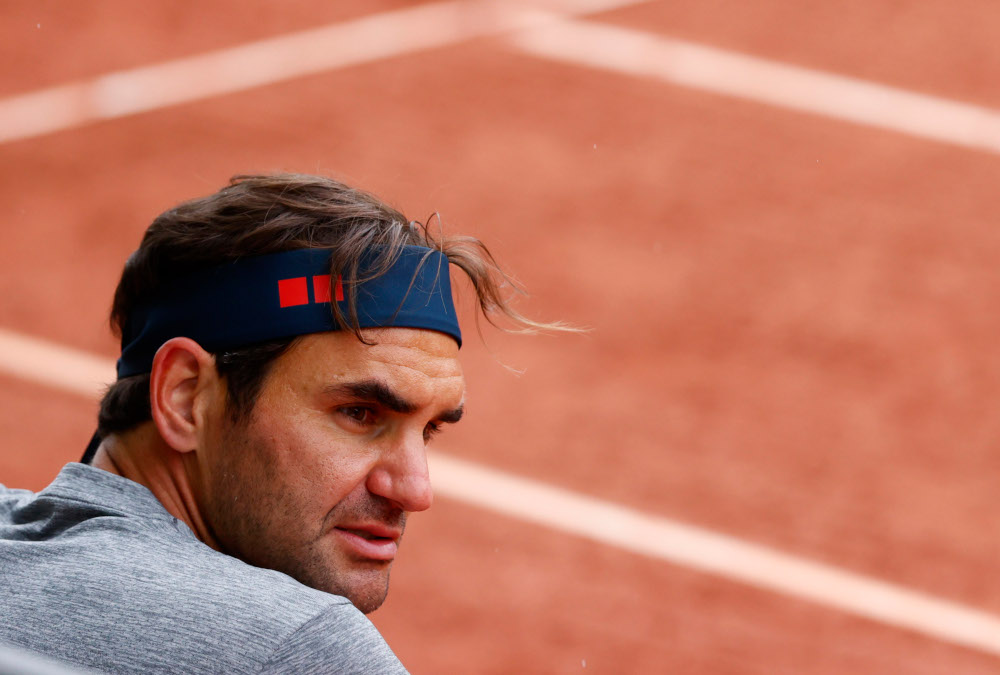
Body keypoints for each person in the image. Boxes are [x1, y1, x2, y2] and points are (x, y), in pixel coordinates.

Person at [0, 174, 563, 674]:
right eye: (360, 414)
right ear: (186, 397)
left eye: (429, 430)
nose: (416, 491)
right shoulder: (296, 648)